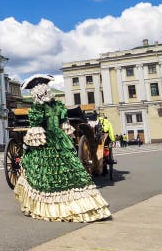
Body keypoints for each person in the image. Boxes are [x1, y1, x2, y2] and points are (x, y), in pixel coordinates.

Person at [14, 74, 110, 222]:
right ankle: (85, 205)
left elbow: (36, 130)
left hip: (46, 143)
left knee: (36, 169)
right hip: (60, 140)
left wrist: (26, 146)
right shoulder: (58, 106)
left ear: (35, 93)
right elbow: (65, 127)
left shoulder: (37, 109)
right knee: (72, 170)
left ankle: (48, 207)